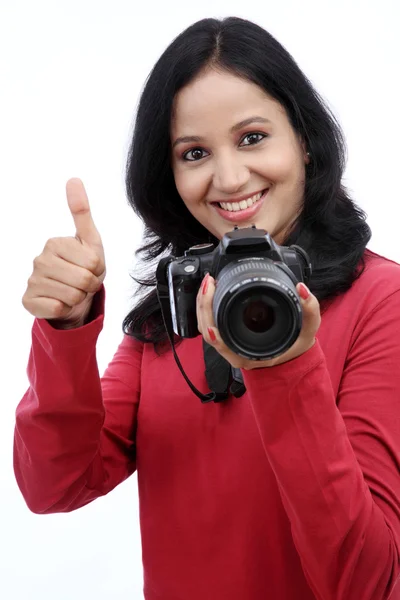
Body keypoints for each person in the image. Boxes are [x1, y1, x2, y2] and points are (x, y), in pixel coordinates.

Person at [14, 16, 400, 600]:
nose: (228, 177)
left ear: (305, 141)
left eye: (252, 138)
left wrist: (284, 371)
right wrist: (64, 330)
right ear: (168, 175)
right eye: (194, 152)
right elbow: (54, 485)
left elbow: (367, 583)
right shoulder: (173, 312)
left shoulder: (382, 300)